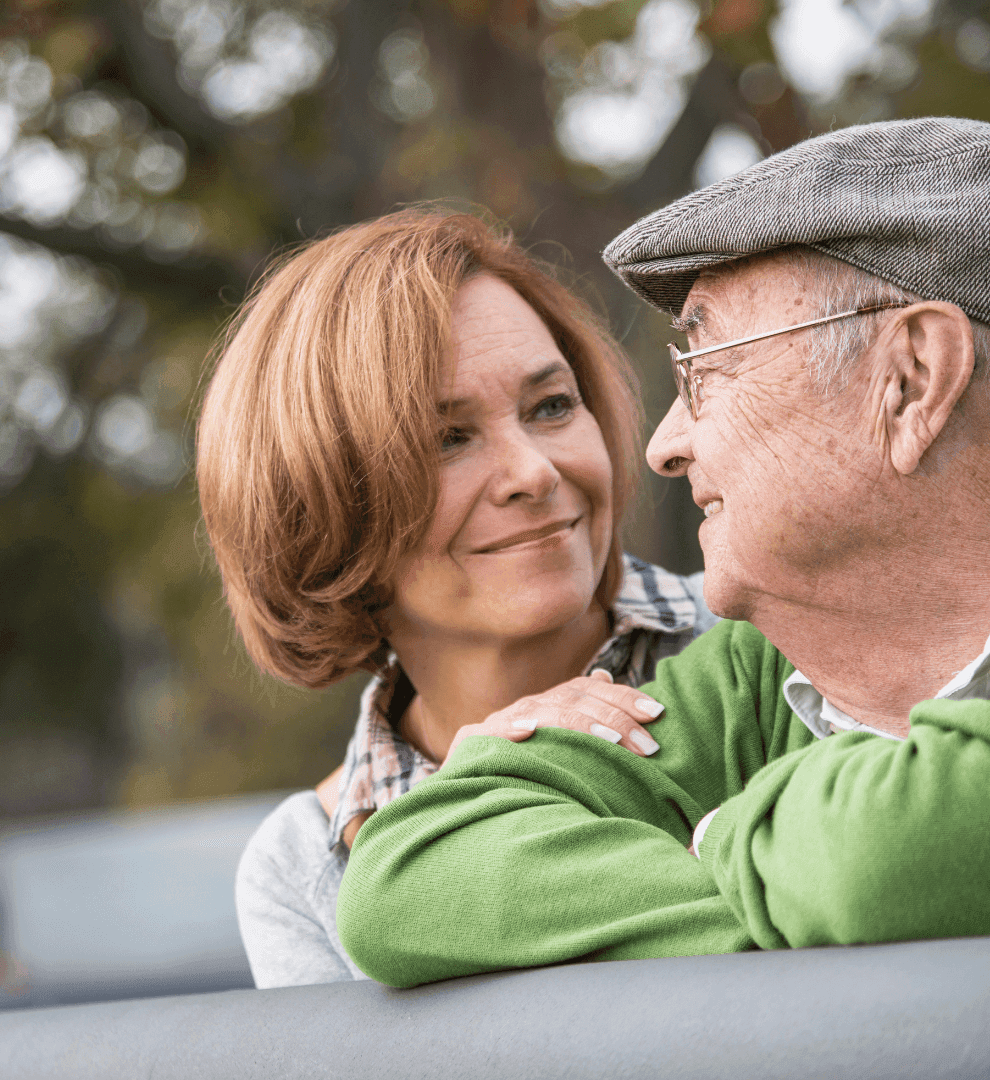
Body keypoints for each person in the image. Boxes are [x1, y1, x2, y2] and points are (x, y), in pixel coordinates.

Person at [336, 116, 990, 988]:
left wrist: (721, 833)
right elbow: (406, 878)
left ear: (910, 379)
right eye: (448, 437)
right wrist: (809, 886)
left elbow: (895, 855)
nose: (664, 444)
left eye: (707, 368)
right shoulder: (763, 676)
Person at [195, 210, 717, 988]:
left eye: (550, 407)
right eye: (447, 439)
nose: (534, 473)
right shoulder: (306, 866)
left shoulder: (780, 633)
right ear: (326, 510)